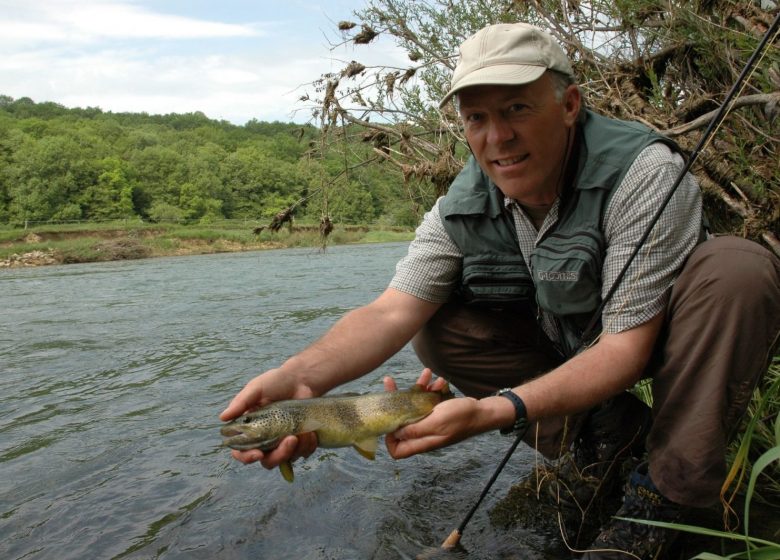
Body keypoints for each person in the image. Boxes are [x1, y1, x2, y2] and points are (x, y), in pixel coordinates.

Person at [221, 22, 780, 559]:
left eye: (517, 108)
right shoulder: (460, 208)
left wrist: (495, 411)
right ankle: (608, 441)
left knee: (739, 270)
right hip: (574, 346)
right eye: (477, 118)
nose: (497, 137)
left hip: (669, 346)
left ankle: (666, 499)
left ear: (569, 105)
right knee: (435, 326)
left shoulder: (643, 173)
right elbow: (390, 313)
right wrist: (297, 377)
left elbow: (625, 351)